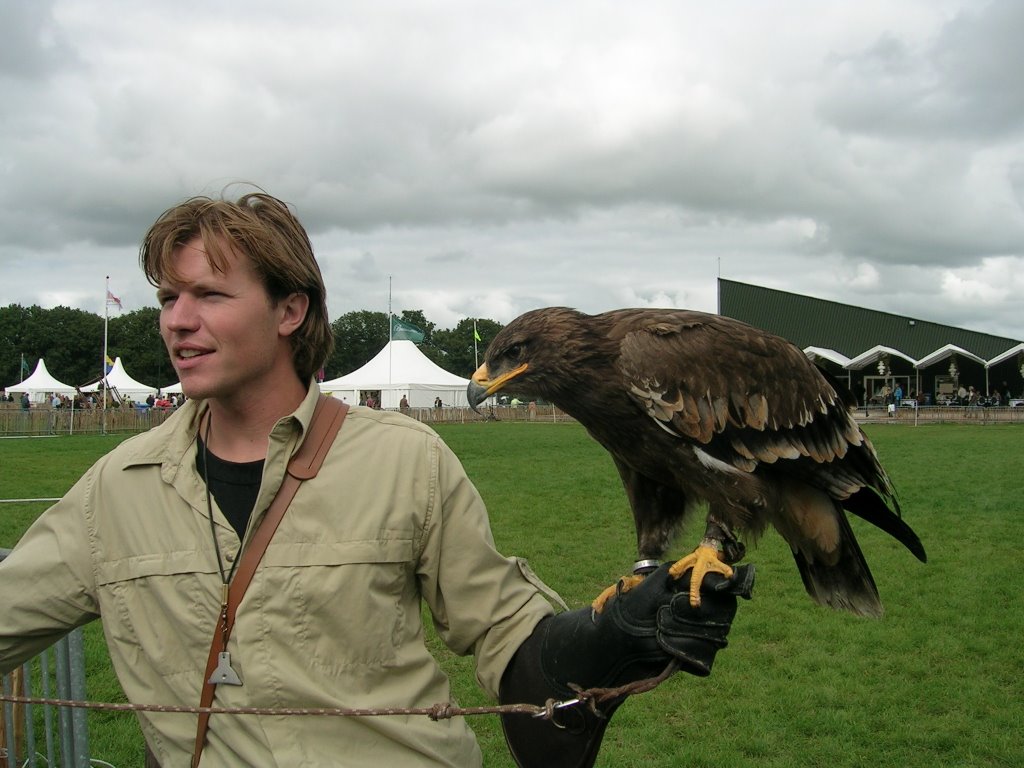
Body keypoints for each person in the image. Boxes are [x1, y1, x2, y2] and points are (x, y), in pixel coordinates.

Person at [0, 191, 752, 767]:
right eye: (169, 298)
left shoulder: (405, 461)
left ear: (290, 309)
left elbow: (508, 640)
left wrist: (605, 640)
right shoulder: (115, 490)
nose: (177, 321)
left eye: (210, 296)